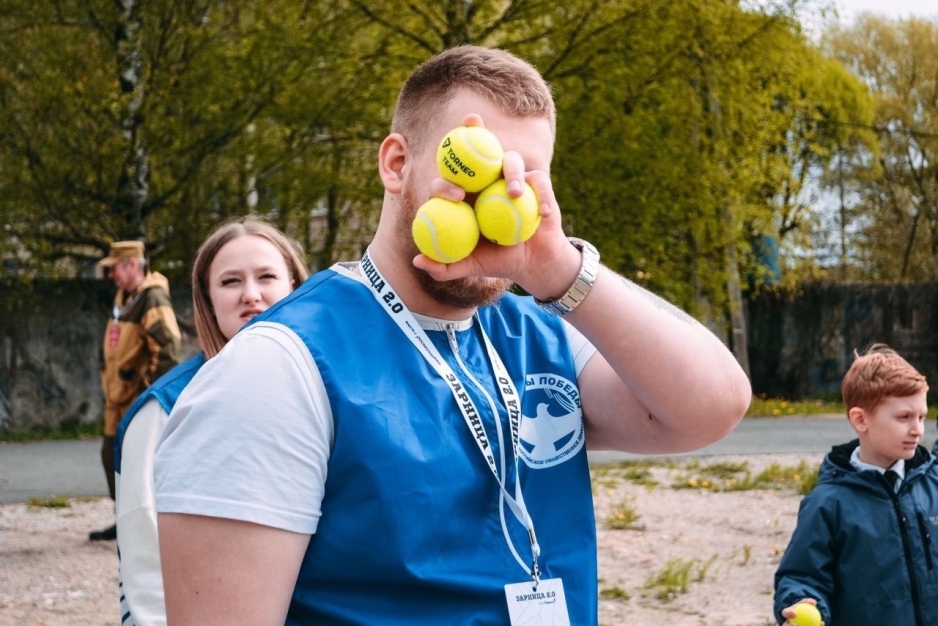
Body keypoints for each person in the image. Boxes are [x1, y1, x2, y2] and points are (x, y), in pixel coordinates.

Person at [154, 45, 752, 625]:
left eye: (524, 179)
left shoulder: (539, 333)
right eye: (476, 170)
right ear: (397, 164)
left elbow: (713, 407)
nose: (501, 197)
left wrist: (559, 270)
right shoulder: (275, 368)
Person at [113, 217, 309, 626]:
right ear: (207, 298)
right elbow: (147, 578)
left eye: (267, 276)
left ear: (295, 285)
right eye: (230, 281)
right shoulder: (162, 410)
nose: (251, 295)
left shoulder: (330, 394)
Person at [774, 344, 938, 626]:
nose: (918, 430)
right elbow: (802, 575)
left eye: (922, 417)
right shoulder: (828, 503)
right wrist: (800, 601)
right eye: (904, 417)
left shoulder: (933, 482)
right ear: (861, 419)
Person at [91, 240, 181, 542]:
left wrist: (150, 394)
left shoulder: (152, 297)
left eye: (114, 268)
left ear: (131, 264)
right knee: (111, 456)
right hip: (116, 395)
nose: (111, 275)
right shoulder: (125, 298)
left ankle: (145, 525)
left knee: (138, 462)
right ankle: (124, 518)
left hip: (135, 397)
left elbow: (167, 349)